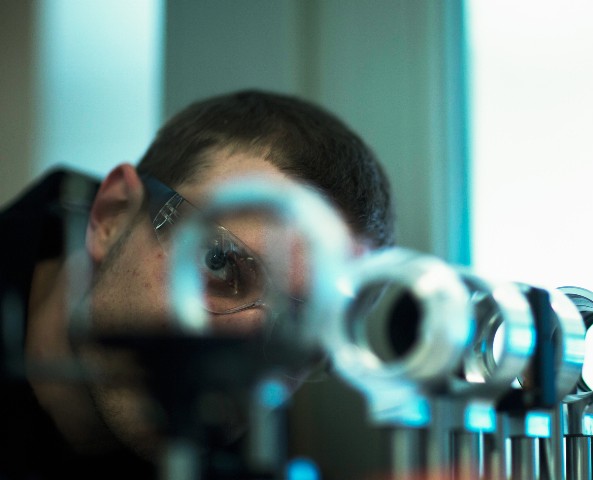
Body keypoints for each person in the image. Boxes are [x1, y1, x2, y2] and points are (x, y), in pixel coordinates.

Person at [0, 89, 395, 479]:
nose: (242, 360)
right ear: (113, 216)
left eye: (301, 320)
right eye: (218, 263)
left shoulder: (256, 454)